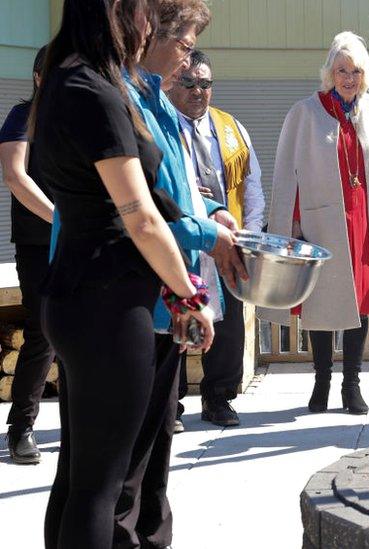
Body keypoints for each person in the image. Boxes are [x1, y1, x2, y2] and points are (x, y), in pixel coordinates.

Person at [33, 1, 215, 546]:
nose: (146, 27)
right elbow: (141, 218)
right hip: (109, 305)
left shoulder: (65, 79)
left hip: (74, 297)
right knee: (101, 489)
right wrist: (190, 293)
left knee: (78, 481)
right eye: (141, 12)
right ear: (116, 10)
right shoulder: (94, 89)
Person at [261, 31, 369, 414]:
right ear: (330, 74)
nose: (349, 78)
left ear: (366, 75)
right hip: (321, 225)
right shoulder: (305, 112)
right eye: (341, 70)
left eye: (356, 71)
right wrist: (293, 225)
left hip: (365, 226)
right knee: (320, 308)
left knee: (358, 308)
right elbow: (288, 176)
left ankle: (351, 385)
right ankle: (321, 382)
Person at [168, 48, 265, 428]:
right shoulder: (162, 126)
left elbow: (253, 187)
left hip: (228, 246)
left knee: (227, 327)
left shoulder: (231, 128)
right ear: (175, 84)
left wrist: (250, 240)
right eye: (189, 83)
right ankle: (170, 404)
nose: (197, 91)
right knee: (177, 321)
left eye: (205, 84)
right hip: (181, 243)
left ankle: (219, 397)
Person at [0, 46, 55, 465]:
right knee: (43, 331)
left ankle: (81, 425)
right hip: (39, 242)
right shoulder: (23, 116)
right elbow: (16, 177)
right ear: (39, 77)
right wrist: (60, 220)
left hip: (81, 244)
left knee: (84, 334)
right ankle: (21, 427)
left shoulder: (83, 119)